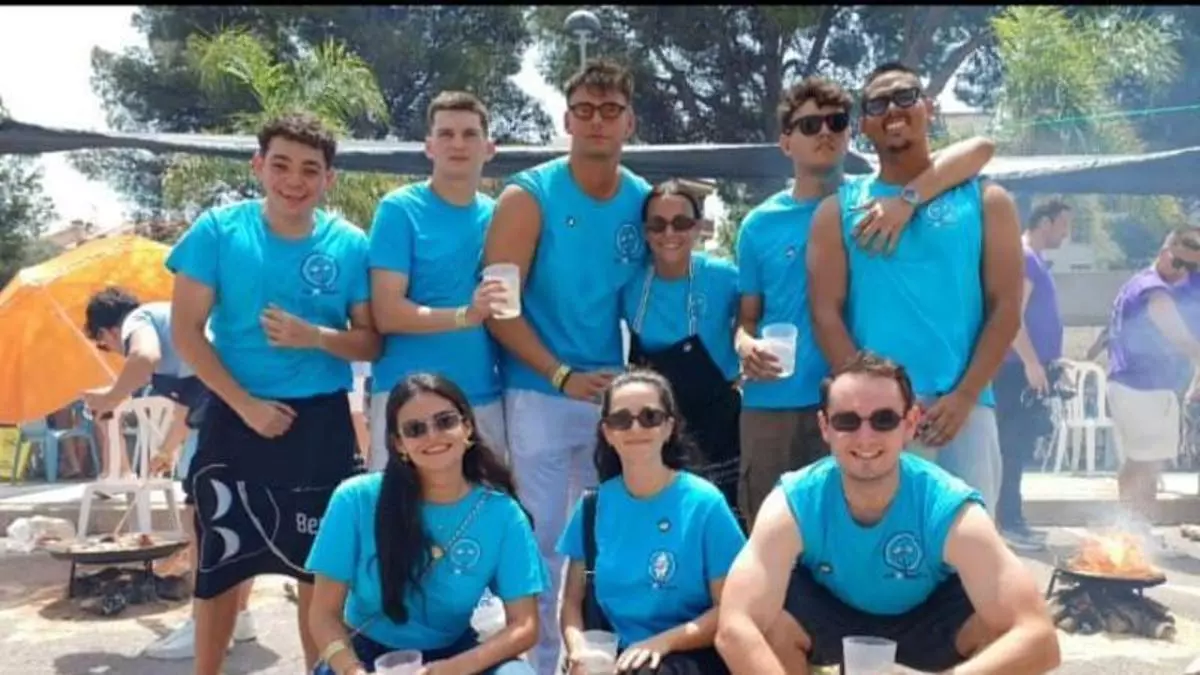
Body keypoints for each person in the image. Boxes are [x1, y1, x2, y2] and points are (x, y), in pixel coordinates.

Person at [167, 111, 380, 675]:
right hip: (234, 416)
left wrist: (316, 337)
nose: (294, 180)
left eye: (310, 169)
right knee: (220, 565)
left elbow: (371, 342)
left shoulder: (349, 244)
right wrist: (247, 406)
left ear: (329, 178)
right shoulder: (218, 231)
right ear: (258, 165)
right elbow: (186, 332)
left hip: (321, 427)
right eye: (281, 165)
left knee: (319, 573)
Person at [736, 75, 996, 523]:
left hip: (851, 411)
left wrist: (908, 200)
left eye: (836, 122)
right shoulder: (759, 224)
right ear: (786, 142)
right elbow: (747, 318)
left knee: (848, 532)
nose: (824, 132)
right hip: (777, 401)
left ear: (852, 132)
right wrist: (744, 344)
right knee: (771, 527)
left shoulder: (872, 200)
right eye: (810, 125)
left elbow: (979, 149)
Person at [714, 351, 1061, 674]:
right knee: (769, 623)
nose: (865, 437)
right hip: (832, 613)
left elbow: (1039, 637)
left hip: (929, 619)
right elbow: (734, 628)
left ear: (910, 423)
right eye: (847, 421)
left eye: (884, 420)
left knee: (999, 630)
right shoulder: (794, 502)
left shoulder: (949, 506)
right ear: (825, 427)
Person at [483, 58, 650, 674]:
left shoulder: (641, 199)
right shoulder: (527, 196)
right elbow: (500, 311)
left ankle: (597, 660)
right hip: (539, 392)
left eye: (610, 110)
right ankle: (539, 661)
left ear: (630, 122)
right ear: (566, 120)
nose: (597, 121)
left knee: (607, 542)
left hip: (611, 400)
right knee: (546, 543)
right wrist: (561, 375)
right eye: (584, 110)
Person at [807, 62, 1023, 512]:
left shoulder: (986, 201)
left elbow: (1006, 307)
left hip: (963, 410)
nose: (893, 109)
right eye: (877, 104)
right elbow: (826, 313)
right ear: (864, 124)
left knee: (970, 542)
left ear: (929, 108)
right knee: (881, 541)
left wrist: (965, 395)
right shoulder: (837, 211)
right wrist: (870, 406)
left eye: (905, 96)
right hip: (878, 420)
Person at [308, 373, 545, 675]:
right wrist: (352, 670)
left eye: (445, 421)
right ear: (399, 444)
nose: (432, 435)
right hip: (363, 655)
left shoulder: (503, 515)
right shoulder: (355, 499)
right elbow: (323, 614)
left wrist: (456, 668)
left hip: (456, 654)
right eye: (415, 429)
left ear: (467, 427)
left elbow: (525, 624)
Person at [82, 286, 258, 659]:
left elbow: (144, 358)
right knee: (234, 520)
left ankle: (205, 624)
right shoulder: (175, 321)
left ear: (107, 330)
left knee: (201, 522)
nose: (112, 349)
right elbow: (187, 406)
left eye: (103, 344)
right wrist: (166, 450)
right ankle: (239, 617)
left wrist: (110, 398)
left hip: (226, 416)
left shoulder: (139, 320)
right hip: (241, 407)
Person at [558, 370, 744, 675]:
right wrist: (579, 649)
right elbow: (571, 603)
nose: (635, 428)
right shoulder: (592, 507)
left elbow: (731, 608)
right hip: (615, 657)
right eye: (621, 419)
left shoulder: (705, 503)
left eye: (650, 417)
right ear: (607, 432)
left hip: (690, 654)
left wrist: (662, 643)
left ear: (669, 427)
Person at [368, 91, 508, 473]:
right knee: (397, 509)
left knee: (486, 507)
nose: (457, 144)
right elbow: (387, 313)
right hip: (406, 398)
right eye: (446, 134)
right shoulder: (399, 210)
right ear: (429, 146)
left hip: (481, 397)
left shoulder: (500, 216)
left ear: (489, 148)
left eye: (469, 134)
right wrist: (466, 315)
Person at [623, 181, 741, 515]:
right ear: (645, 232)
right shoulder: (631, 285)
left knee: (719, 514)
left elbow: (754, 319)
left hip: (717, 420)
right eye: (657, 225)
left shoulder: (724, 277)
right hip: (655, 423)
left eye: (681, 223)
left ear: (698, 227)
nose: (669, 233)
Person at [1105, 227, 1200, 543]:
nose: (1183, 272)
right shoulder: (1152, 288)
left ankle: (1133, 530)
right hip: (1142, 388)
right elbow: (1178, 335)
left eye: (1191, 267)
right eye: (1178, 262)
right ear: (1164, 251)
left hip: (1137, 387)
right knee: (1145, 466)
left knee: (1141, 463)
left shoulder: (1150, 283)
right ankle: (1136, 531)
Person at [994, 199, 1071, 552]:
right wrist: (1030, 362)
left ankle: (1014, 518)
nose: (1066, 233)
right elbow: (1013, 315)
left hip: (1027, 368)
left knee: (1020, 446)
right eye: (1063, 225)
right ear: (1044, 223)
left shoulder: (1036, 261)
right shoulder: (1024, 258)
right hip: (1013, 370)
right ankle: (1007, 522)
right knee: (1011, 447)